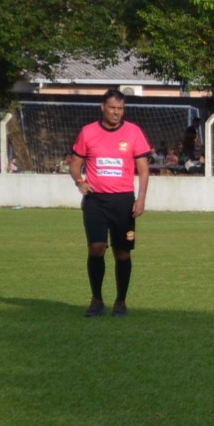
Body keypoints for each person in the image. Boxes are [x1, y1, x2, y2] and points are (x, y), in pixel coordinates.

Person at [67, 88, 152, 317]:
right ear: (102, 107)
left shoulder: (134, 133)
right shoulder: (88, 132)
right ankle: (96, 299)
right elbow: (75, 163)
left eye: (121, 109)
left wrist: (141, 198)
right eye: (112, 108)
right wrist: (79, 180)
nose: (116, 113)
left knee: (122, 253)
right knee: (97, 248)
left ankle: (121, 302)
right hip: (95, 200)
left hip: (123, 201)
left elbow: (143, 170)